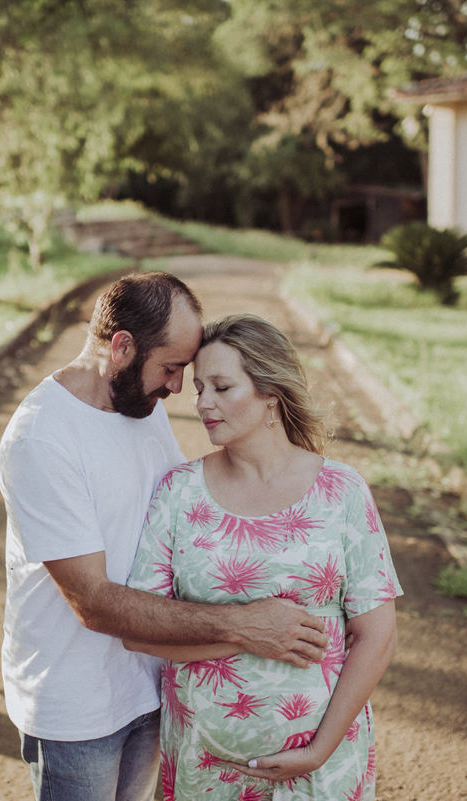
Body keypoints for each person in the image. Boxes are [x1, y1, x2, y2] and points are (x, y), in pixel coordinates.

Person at [0, 273, 329, 801]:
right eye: (171, 367)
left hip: (152, 685)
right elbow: (94, 603)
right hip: (76, 703)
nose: (178, 388)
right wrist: (246, 626)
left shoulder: (138, 404)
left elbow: (185, 519)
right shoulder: (43, 437)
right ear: (122, 347)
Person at [125, 313, 403, 801]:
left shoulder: (342, 491)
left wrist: (318, 751)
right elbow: (139, 629)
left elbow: (377, 636)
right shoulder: (178, 492)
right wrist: (248, 631)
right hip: (205, 765)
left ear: (270, 391)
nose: (202, 403)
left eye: (221, 387)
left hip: (321, 770)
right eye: (199, 388)